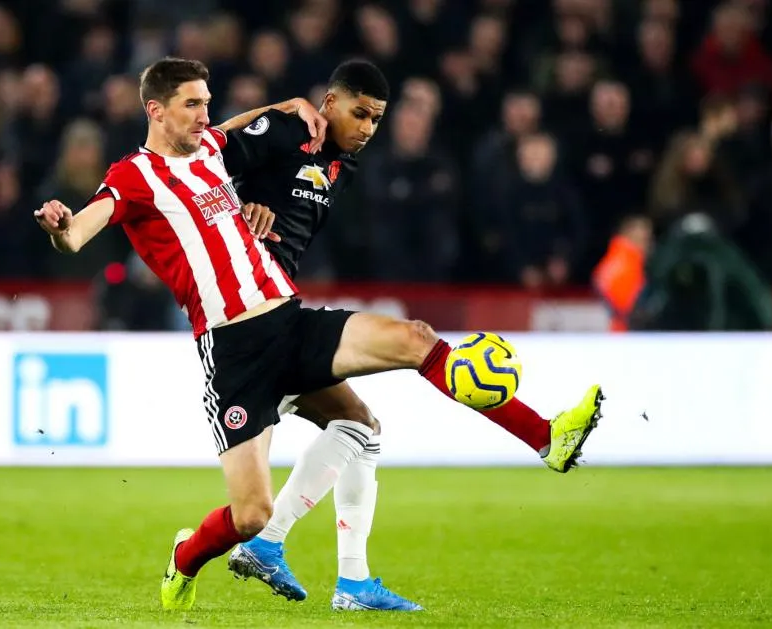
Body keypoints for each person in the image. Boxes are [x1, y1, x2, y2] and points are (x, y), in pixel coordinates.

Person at [33, 57, 602, 614]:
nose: (205, 115)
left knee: (411, 346)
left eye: (207, 103)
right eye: (192, 105)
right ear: (156, 111)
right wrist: (62, 227)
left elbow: (235, 128)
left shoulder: (210, 150)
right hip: (234, 349)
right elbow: (79, 234)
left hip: (290, 321)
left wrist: (286, 104)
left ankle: (544, 438)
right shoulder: (132, 176)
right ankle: (187, 557)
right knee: (251, 514)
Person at [220, 60, 603, 610]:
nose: (368, 128)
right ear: (329, 102)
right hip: (247, 322)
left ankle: (339, 577)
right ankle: (544, 436)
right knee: (414, 345)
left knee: (363, 429)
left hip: (282, 313)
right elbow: (199, 160)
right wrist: (238, 199)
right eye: (360, 114)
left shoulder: (342, 166)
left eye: (377, 119)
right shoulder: (287, 129)